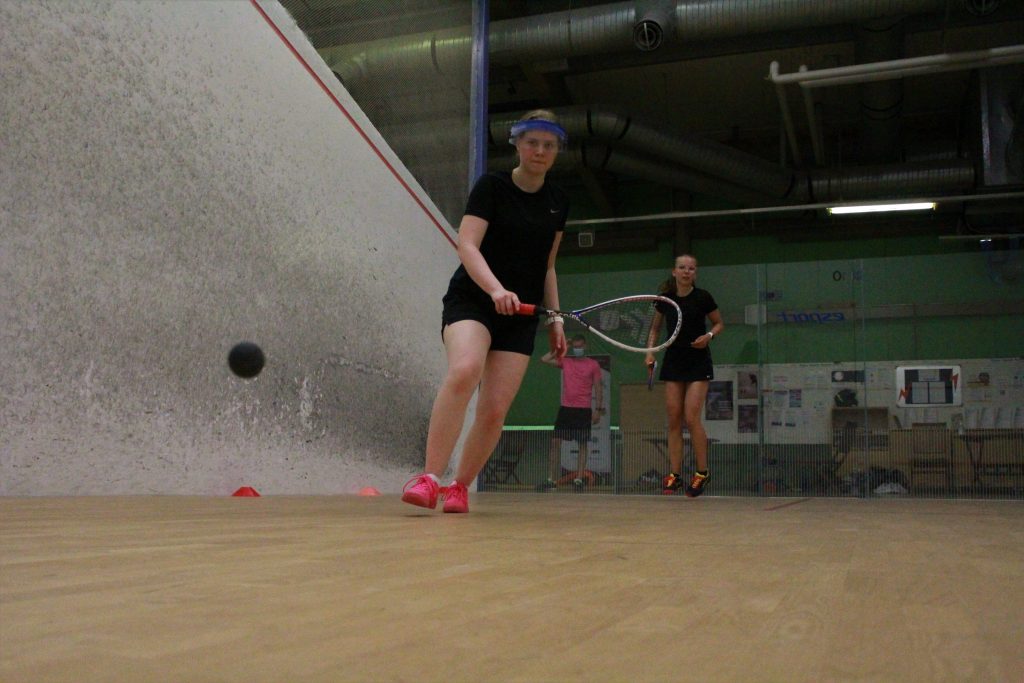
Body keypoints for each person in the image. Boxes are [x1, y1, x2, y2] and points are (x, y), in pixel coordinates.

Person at [401, 110, 570, 513]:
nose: (540, 150)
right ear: (517, 144)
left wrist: (556, 318)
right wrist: (495, 289)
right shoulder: (492, 187)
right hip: (473, 300)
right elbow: (467, 244)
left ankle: (459, 486)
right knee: (465, 370)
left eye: (548, 145)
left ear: (557, 150)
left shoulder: (557, 202)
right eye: (532, 142)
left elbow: (547, 266)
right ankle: (429, 478)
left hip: (521, 314)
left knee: (494, 410)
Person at [645, 254, 724, 497]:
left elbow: (719, 324)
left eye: (691, 268)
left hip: (698, 362)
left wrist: (709, 336)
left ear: (695, 273)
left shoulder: (703, 297)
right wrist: (650, 353)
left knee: (691, 418)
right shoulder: (665, 300)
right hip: (674, 361)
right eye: (682, 267)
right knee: (674, 420)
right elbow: (655, 329)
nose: (686, 271)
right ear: (674, 271)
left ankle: (702, 473)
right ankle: (675, 475)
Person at [537, 334, 604, 491]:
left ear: (585, 346)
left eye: (580, 346)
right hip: (566, 408)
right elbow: (544, 359)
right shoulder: (566, 361)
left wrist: (598, 410)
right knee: (555, 442)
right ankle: (551, 479)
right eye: (575, 347)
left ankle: (579, 479)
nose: (578, 349)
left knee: (582, 443)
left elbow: (598, 388)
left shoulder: (593, 365)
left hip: (583, 409)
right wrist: (562, 347)